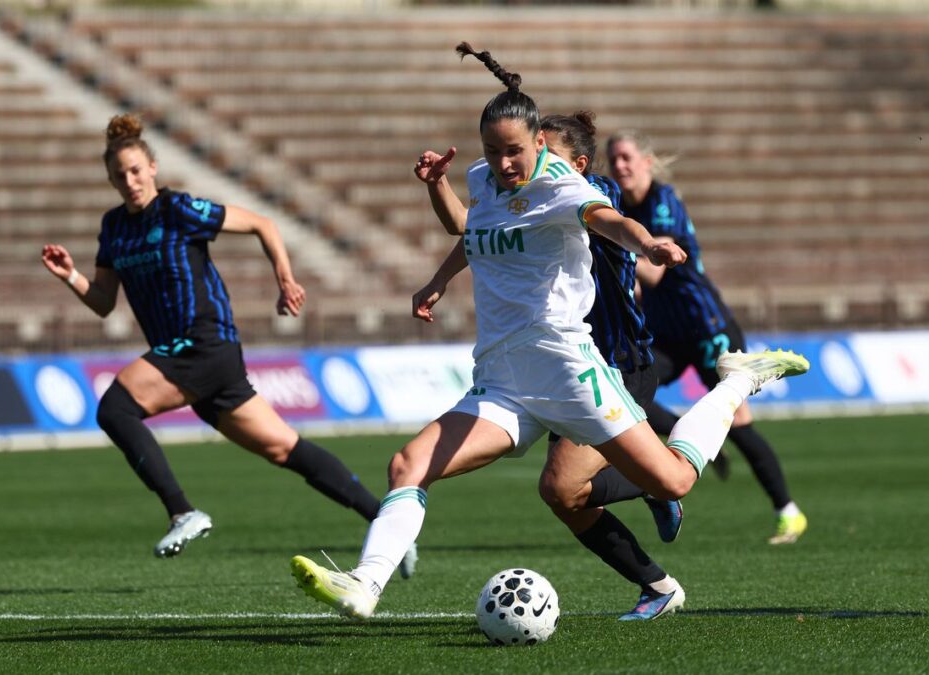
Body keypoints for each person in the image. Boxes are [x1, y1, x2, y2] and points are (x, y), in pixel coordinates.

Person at [290, 42, 808, 620]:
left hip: (570, 370)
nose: (504, 163)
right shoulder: (486, 178)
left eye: (514, 151)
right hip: (502, 378)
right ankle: (364, 585)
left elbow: (607, 219)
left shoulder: (562, 184)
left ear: (539, 143)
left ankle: (737, 383)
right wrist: (437, 200)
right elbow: (471, 228)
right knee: (408, 465)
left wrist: (649, 244)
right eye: (493, 151)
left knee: (674, 481)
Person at [40, 113, 418, 575]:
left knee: (115, 408)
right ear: (110, 179)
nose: (130, 181)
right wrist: (72, 276)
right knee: (285, 448)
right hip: (186, 359)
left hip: (203, 344)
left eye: (136, 170)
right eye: (120, 176)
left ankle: (182, 511)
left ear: (152, 167)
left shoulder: (177, 209)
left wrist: (285, 279)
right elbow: (103, 302)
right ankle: (388, 525)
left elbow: (263, 224)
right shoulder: (114, 227)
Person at [408, 110, 687, 620]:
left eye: (546, 157)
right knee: (560, 492)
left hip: (616, 358)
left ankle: (666, 469)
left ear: (576, 164)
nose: (526, 168)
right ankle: (656, 584)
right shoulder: (523, 191)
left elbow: (614, 223)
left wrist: (648, 244)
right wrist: (440, 278)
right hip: (553, 365)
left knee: (569, 486)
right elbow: (481, 234)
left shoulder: (579, 191)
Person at [606, 129, 808, 545]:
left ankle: (788, 512)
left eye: (626, 157)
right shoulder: (621, 208)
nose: (620, 166)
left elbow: (654, 270)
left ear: (647, 160)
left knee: (738, 423)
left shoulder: (663, 203)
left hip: (707, 327)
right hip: (663, 333)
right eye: (614, 159)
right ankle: (687, 430)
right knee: (623, 390)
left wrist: (609, 244)